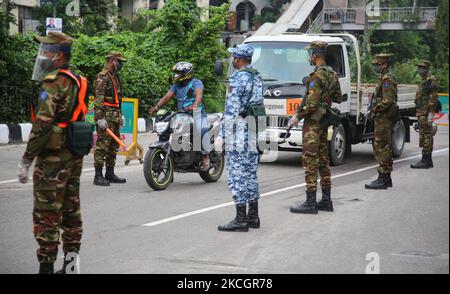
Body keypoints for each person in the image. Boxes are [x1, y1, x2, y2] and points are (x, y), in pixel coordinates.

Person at [17, 32, 85, 274]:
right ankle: (71, 267)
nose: (42, 55)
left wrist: (27, 159)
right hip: (73, 157)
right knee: (71, 211)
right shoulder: (77, 79)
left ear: (58, 55)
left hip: (52, 161)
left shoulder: (53, 82)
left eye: (46, 51)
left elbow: (43, 124)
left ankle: (45, 269)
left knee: (47, 214)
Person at [288, 41, 342, 214]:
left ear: (316, 55)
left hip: (313, 124)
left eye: (310, 53)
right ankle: (326, 200)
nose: (309, 57)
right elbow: (338, 97)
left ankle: (310, 202)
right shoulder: (333, 74)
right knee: (323, 160)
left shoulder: (316, 77)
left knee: (310, 160)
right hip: (324, 123)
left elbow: (311, 105)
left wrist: (297, 116)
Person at [216, 44, 264, 232]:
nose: (232, 60)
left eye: (233, 57)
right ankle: (253, 217)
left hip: (239, 135)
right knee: (250, 175)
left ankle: (241, 220)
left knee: (237, 176)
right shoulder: (256, 77)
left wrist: (221, 137)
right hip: (253, 132)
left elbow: (232, 111)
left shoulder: (238, 79)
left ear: (239, 58)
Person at [149, 62, 210, 171]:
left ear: (187, 73)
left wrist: (195, 106)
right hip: (181, 114)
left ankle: (205, 156)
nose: (176, 75)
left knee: (201, 130)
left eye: (179, 73)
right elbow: (167, 97)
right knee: (168, 129)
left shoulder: (196, 83)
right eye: (176, 73)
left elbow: (199, 95)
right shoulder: (176, 85)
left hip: (197, 113)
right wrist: (156, 107)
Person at [93, 51, 127, 186]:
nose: (121, 64)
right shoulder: (102, 77)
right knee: (102, 145)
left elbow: (118, 99)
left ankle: (110, 172)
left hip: (115, 115)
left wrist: (121, 114)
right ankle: (98, 175)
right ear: (113, 61)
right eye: (119, 61)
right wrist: (100, 118)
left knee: (113, 146)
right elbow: (99, 99)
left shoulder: (115, 77)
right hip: (106, 116)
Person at [364, 53, 398, 190]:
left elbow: (388, 100)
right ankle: (386, 178)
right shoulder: (384, 79)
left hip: (383, 119)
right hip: (382, 119)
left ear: (384, 65)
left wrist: (374, 110)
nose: (375, 67)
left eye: (377, 65)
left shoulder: (387, 80)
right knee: (383, 147)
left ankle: (382, 178)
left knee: (381, 147)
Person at [410, 59, 438, 169]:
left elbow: (433, 97)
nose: (419, 69)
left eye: (421, 68)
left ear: (427, 69)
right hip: (422, 111)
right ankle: (426, 160)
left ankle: (426, 160)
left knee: (426, 135)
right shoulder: (424, 80)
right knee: (424, 135)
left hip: (426, 112)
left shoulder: (431, 80)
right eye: (419, 67)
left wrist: (431, 112)